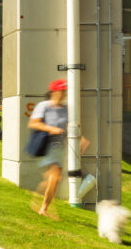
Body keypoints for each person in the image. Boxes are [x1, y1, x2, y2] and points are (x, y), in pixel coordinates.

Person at [27, 78, 90, 219]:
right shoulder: (44, 106)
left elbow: (67, 126)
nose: (64, 94)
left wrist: (81, 138)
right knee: (55, 177)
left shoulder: (65, 109)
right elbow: (32, 124)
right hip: (46, 146)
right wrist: (50, 129)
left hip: (59, 148)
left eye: (64, 91)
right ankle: (43, 208)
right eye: (61, 91)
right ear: (54, 92)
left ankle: (38, 203)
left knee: (49, 180)